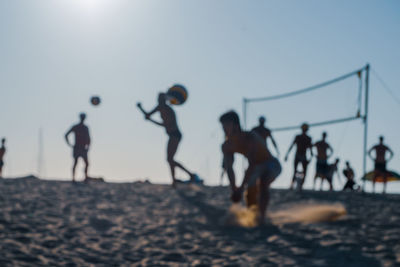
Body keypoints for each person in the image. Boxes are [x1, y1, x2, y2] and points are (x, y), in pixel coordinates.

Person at [220, 110, 281, 224]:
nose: (223, 128)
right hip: (257, 167)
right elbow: (229, 168)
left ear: (236, 125)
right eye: (222, 126)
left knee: (263, 182)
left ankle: (262, 218)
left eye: (226, 125)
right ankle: (254, 216)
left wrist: (240, 188)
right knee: (250, 193)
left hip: (271, 163)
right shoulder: (226, 145)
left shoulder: (250, 136)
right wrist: (234, 189)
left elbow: (252, 163)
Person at [137, 93, 196, 187]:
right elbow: (148, 115)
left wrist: (149, 119)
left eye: (160, 99)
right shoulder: (159, 108)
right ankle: (175, 181)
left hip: (175, 135)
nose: (159, 100)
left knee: (170, 159)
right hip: (171, 135)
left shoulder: (169, 110)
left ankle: (189, 175)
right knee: (170, 159)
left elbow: (164, 124)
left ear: (164, 100)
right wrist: (140, 109)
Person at [285, 123, 313, 190]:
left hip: (302, 155)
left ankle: (300, 185)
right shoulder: (299, 137)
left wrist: (310, 158)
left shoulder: (308, 138)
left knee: (303, 171)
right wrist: (287, 154)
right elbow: (292, 145)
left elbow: (310, 149)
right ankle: (292, 185)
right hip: (299, 155)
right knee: (296, 171)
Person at [65, 113, 91, 182]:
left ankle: (85, 177)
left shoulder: (85, 127)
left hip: (83, 148)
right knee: (76, 162)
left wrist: (88, 147)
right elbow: (66, 135)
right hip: (78, 147)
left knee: (86, 163)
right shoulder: (76, 127)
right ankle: (73, 178)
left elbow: (89, 138)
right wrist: (70, 144)